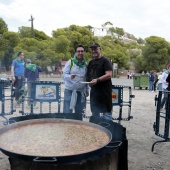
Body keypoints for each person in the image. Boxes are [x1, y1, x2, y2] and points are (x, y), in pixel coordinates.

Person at [86, 43, 113, 120]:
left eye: (95, 49)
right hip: (94, 94)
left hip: (104, 93)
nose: (94, 51)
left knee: (107, 114)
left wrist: (97, 80)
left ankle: (108, 130)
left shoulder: (105, 61)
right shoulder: (91, 63)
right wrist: (89, 83)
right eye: (92, 49)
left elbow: (109, 74)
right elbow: (89, 76)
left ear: (100, 49)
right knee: (95, 114)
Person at [62, 44, 89, 114]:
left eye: (82, 51)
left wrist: (87, 89)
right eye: (78, 51)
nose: (80, 53)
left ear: (84, 52)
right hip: (69, 91)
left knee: (79, 112)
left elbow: (86, 78)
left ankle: (78, 124)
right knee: (67, 112)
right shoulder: (70, 62)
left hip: (81, 92)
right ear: (75, 53)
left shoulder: (85, 64)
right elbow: (64, 75)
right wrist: (70, 77)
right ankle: (67, 124)